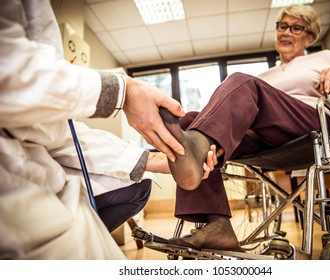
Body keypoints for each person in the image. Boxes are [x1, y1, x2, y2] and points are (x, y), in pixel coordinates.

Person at [0, 0, 218, 259]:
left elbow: (55, 129)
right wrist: (124, 91)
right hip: (14, 196)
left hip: (36, 158)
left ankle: (190, 152)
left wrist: (152, 159)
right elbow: (10, 72)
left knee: (140, 186)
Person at [160, 4, 330, 251]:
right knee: (190, 121)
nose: (286, 32)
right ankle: (217, 225)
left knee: (240, 82)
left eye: (296, 28)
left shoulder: (325, 58)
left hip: (311, 126)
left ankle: (198, 147)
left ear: (310, 36)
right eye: (282, 26)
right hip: (267, 138)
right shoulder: (266, 76)